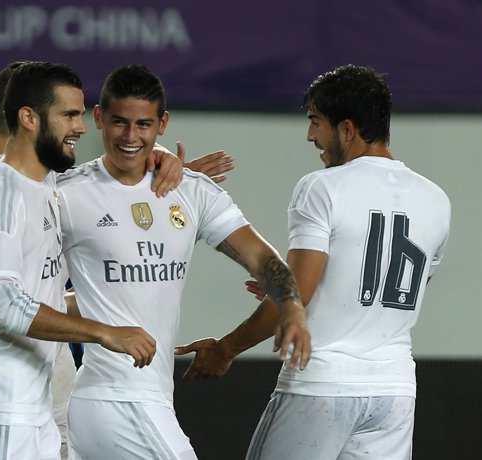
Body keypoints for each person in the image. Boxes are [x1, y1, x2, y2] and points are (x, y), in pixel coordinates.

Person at [176, 64, 451, 460]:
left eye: (315, 122)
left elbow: (298, 294)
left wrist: (225, 349)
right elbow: (387, 292)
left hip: (323, 385)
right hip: (394, 394)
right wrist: (311, 288)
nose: (310, 135)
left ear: (347, 129)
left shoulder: (322, 186)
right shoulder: (436, 200)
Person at [50, 64, 308, 459]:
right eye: (119, 122)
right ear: (99, 117)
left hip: (151, 398)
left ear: (163, 124)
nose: (130, 136)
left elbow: (260, 256)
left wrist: (290, 304)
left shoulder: (191, 191)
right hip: (113, 399)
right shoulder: (67, 193)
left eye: (143, 125)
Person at [0, 61, 159, 460]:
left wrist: (161, 159)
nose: (80, 127)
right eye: (69, 115)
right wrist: (101, 332)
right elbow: (2, 300)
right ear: (28, 118)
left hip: (32, 404)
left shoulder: (44, 182)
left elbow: (41, 292)